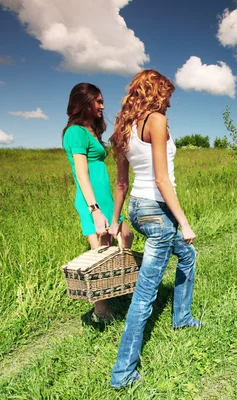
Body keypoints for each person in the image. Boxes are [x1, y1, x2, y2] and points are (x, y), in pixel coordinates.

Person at [108, 69, 200, 388]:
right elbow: (162, 179)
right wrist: (184, 222)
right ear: (156, 91)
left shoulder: (123, 127)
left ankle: (182, 317)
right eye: (167, 95)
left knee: (187, 254)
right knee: (145, 294)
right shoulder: (156, 121)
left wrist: (116, 220)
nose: (169, 103)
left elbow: (121, 183)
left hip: (137, 208)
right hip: (157, 212)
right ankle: (123, 373)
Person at [62, 82, 134, 322]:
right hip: (91, 200)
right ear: (84, 103)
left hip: (104, 199)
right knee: (100, 252)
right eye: (99, 101)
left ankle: (120, 287)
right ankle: (101, 311)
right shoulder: (75, 132)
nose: (103, 106)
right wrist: (94, 209)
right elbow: (82, 174)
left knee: (126, 235)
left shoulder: (91, 131)